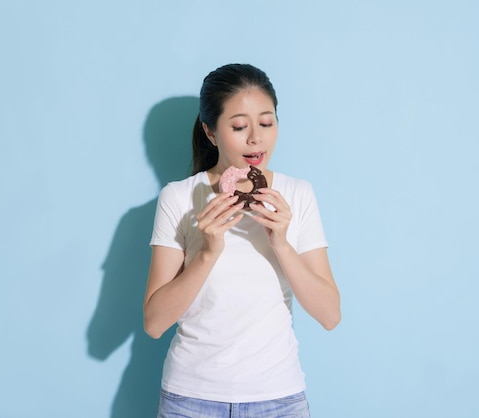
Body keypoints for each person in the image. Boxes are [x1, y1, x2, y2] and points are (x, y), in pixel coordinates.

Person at [143, 63, 341, 418]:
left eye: (267, 123)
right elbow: (154, 323)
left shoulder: (297, 195)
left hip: (279, 400)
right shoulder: (178, 198)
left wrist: (281, 242)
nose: (256, 138)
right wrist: (207, 253)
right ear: (210, 132)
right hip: (190, 400)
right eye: (239, 126)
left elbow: (330, 315)